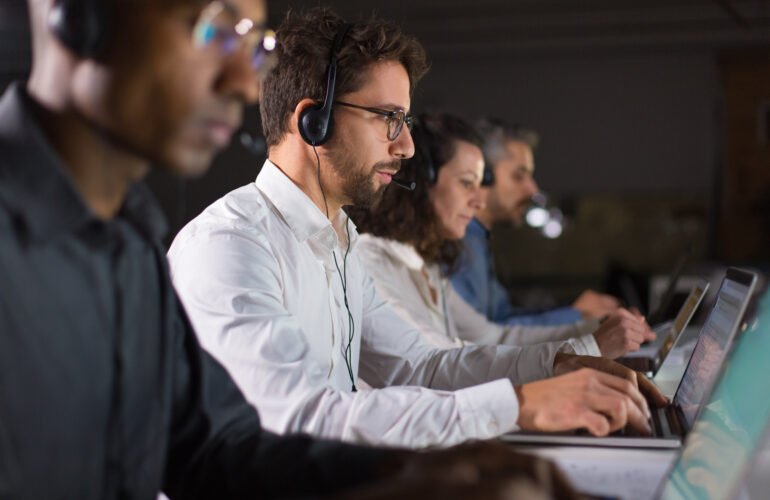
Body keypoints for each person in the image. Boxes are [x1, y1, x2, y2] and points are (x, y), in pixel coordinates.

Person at [0, 0, 586, 498]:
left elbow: (215, 450)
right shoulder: (223, 244)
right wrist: (509, 408)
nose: (239, 78)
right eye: (211, 25)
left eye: (251, 41)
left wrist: (422, 473)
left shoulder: (127, 249)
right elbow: (286, 422)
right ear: (78, 17)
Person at [167, 7, 666, 451]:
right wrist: (518, 406)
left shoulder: (340, 240)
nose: (406, 146)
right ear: (312, 121)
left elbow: (420, 366)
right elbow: (300, 420)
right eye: (389, 118)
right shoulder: (230, 246)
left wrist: (560, 366)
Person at [350, 111, 654, 360]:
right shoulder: (372, 260)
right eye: (467, 183)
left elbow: (493, 337)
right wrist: (587, 346)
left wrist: (591, 330)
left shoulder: (425, 264)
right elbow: (435, 363)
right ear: (421, 182)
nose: (479, 201)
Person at [450, 117, 622, 326]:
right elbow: (479, 337)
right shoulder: (457, 241)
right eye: (519, 176)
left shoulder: (478, 239)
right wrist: (575, 315)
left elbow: (502, 317)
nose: (533, 189)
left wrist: (575, 309)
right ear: (483, 175)